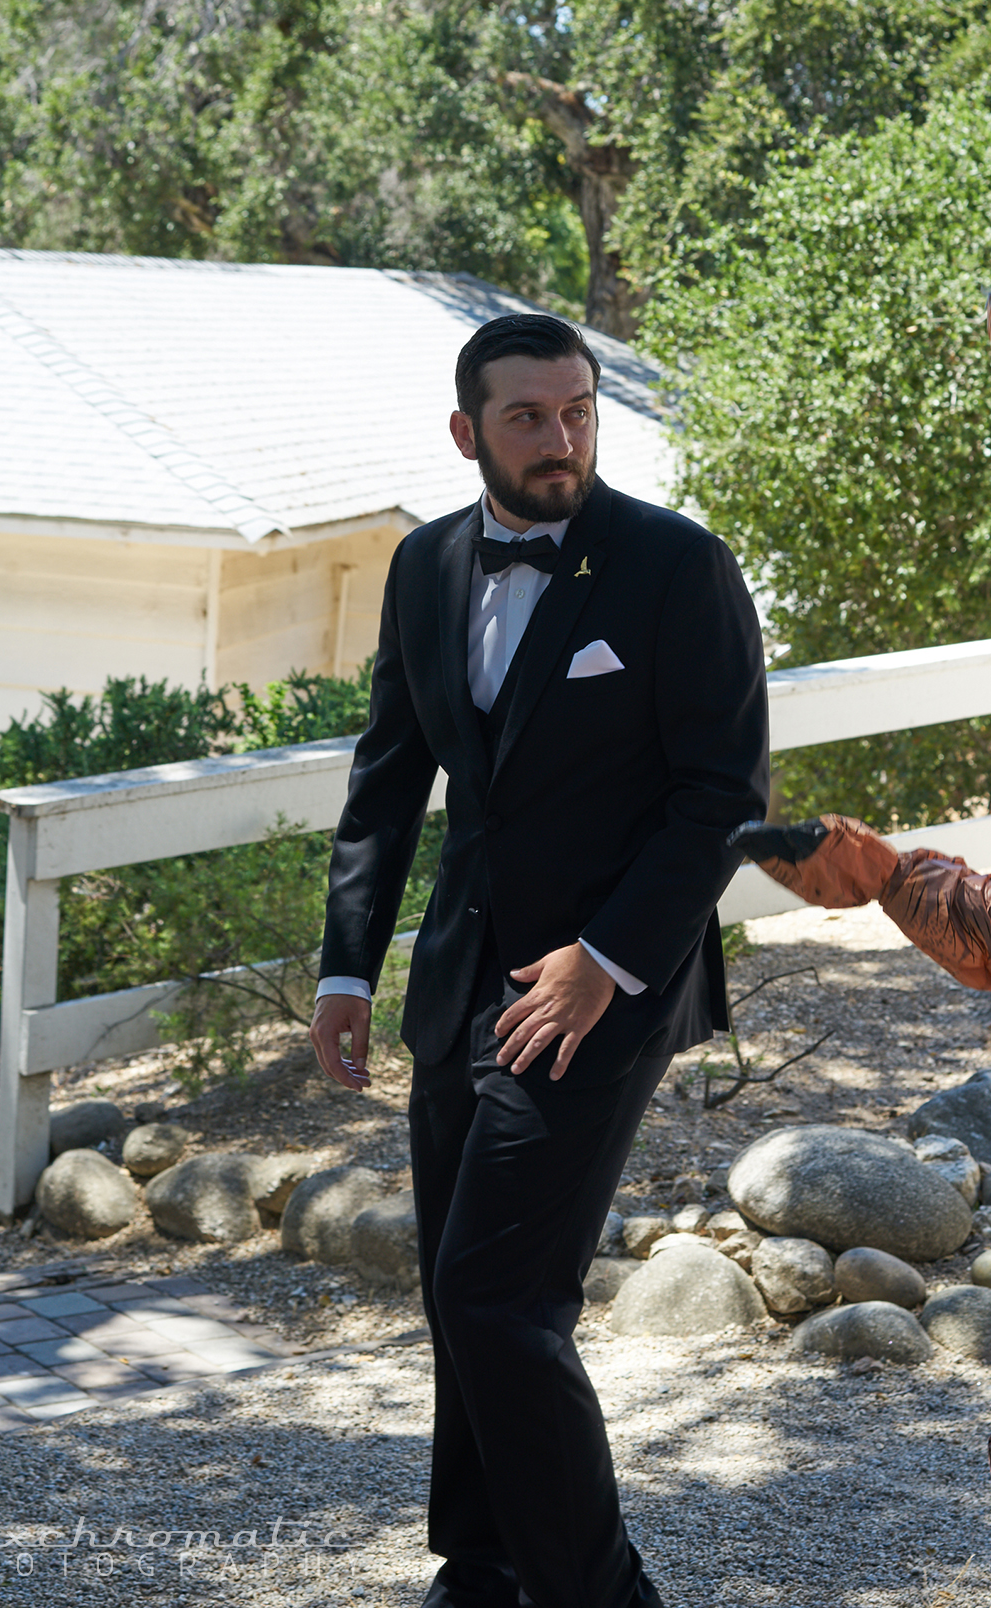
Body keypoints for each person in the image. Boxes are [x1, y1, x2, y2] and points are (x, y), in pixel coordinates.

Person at [309, 310, 768, 1608]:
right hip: (461, 979)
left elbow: (721, 799)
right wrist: (350, 969)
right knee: (461, 1294)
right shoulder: (424, 566)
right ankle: (482, 1563)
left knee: (498, 1295)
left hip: (601, 991)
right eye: (527, 417)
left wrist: (605, 959)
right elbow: (390, 777)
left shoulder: (677, 570)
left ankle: (599, 1593)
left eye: (577, 412)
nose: (560, 439)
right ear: (468, 433)